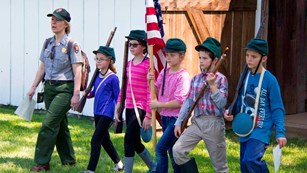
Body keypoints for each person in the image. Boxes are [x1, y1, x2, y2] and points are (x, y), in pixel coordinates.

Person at [27, 8, 82, 172]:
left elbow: (78, 71)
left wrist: (76, 94)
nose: (53, 22)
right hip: (49, 89)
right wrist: (33, 87)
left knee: (48, 124)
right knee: (60, 124)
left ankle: (42, 162)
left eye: (57, 20)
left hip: (65, 89)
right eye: (52, 19)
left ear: (65, 24)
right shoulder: (47, 42)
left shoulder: (72, 45)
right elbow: (42, 67)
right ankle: (69, 160)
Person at [224, 38, 287, 173]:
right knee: (244, 166)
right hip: (245, 126)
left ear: (263, 59)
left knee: (250, 160)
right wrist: (231, 111)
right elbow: (239, 100)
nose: (249, 59)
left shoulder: (270, 80)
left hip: (261, 128)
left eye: (254, 56)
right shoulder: (244, 76)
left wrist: (280, 132)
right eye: (247, 55)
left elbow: (277, 108)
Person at [172, 37, 228, 173]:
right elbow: (188, 101)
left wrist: (213, 86)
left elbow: (222, 104)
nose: (201, 61)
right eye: (200, 58)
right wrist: (179, 122)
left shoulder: (221, 79)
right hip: (197, 122)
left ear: (215, 60)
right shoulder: (196, 79)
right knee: (177, 150)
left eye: (205, 58)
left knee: (220, 167)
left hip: (214, 124)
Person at [114, 30, 156, 173]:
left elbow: (151, 91)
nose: (131, 47)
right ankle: (153, 166)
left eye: (135, 44)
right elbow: (125, 87)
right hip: (130, 107)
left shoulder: (148, 65)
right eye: (130, 44)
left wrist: (149, 115)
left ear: (144, 46)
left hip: (141, 107)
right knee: (136, 142)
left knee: (128, 141)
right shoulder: (129, 64)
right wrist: (119, 104)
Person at [148, 38, 190, 173]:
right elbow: (155, 89)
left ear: (181, 56)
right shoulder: (164, 72)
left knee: (160, 148)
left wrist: (159, 104)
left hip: (176, 119)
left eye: (172, 55)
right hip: (165, 117)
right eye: (167, 54)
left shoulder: (182, 76)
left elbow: (179, 102)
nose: (168, 58)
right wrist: (150, 81)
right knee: (172, 151)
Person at [83, 46, 123, 173]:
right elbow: (95, 92)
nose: (98, 61)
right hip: (97, 111)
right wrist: (87, 94)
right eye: (97, 59)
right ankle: (119, 164)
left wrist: (117, 113)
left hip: (108, 112)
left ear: (110, 61)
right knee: (105, 140)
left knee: (95, 139)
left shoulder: (113, 78)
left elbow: (118, 97)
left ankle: (90, 170)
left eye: (101, 59)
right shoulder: (97, 75)